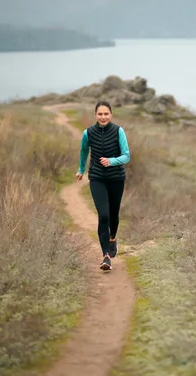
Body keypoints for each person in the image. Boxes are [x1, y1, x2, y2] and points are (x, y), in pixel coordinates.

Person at [76, 100, 130, 271]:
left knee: (114, 215)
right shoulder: (88, 133)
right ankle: (106, 256)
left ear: (111, 114)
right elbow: (84, 151)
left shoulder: (118, 131)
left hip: (116, 178)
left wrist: (112, 161)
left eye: (106, 113)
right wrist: (81, 169)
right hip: (97, 178)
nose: (103, 116)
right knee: (104, 215)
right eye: (100, 114)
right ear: (95, 115)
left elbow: (126, 156)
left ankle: (113, 238)